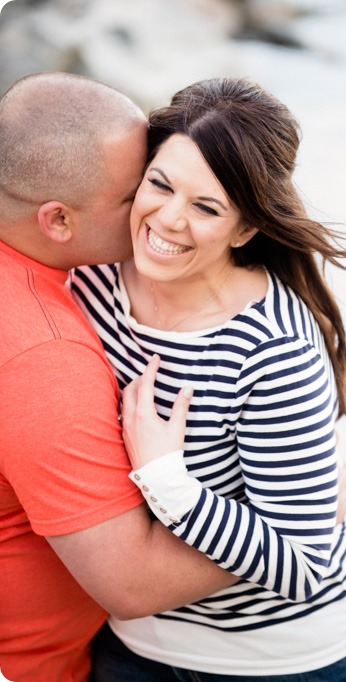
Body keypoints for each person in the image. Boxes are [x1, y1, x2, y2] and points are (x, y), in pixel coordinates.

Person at [71, 77, 346, 681]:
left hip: (292, 661)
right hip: (132, 649)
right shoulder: (90, 280)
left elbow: (304, 564)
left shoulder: (272, 349)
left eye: (207, 207)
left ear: (246, 229)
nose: (168, 220)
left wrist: (169, 481)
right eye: (160, 184)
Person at [0, 71, 243, 682]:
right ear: (57, 221)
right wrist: (296, 534)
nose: (154, 212)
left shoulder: (56, 281)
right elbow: (132, 585)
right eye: (138, 189)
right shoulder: (41, 351)